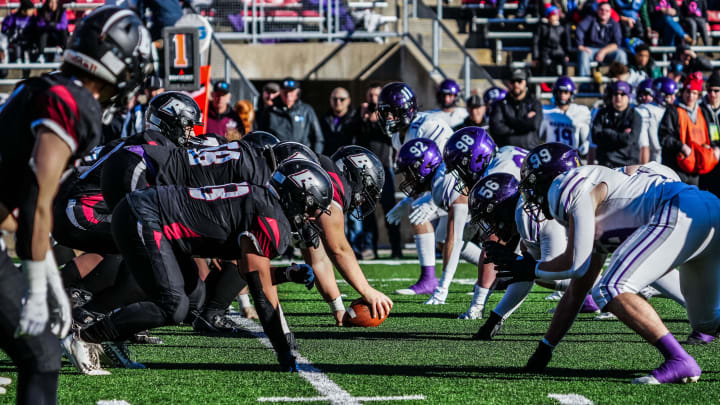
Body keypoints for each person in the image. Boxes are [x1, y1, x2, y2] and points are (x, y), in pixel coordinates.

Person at [0, 5, 152, 398]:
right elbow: (35, 197)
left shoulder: (40, 85)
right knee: (42, 356)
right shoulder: (75, 104)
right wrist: (38, 282)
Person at [64, 160, 332, 374]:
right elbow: (260, 292)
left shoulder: (262, 201)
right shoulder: (269, 217)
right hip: (144, 215)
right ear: (298, 198)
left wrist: (286, 274)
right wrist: (283, 349)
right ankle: (86, 336)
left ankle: (108, 333)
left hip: (150, 215)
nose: (311, 218)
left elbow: (246, 273)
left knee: (193, 294)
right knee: (173, 305)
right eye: (311, 209)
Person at [514, 142, 720, 384]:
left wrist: (530, 268)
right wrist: (545, 348)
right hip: (707, 208)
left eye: (532, 184)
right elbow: (576, 292)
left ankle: (679, 360)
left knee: (611, 287)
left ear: (548, 179)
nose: (531, 194)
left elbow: (575, 263)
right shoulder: (601, 196)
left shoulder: (565, 185)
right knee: (706, 321)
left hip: (679, 209)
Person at [437, 128, 528, 319]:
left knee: (531, 263)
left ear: (476, 159)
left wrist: (476, 304)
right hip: (544, 208)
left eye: (461, 169)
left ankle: (478, 306)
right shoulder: (503, 153)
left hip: (550, 211)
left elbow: (493, 241)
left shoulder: (494, 175)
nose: (460, 177)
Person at [379, 82, 454, 295]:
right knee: (442, 241)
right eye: (385, 113)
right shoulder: (396, 137)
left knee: (449, 235)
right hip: (440, 186)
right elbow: (420, 175)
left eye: (391, 112)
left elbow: (450, 162)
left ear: (406, 110)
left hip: (458, 182)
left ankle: (429, 280)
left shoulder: (428, 125)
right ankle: (497, 276)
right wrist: (409, 200)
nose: (388, 118)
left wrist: (431, 199)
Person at [357, 83, 403, 259]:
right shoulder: (362, 117)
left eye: (376, 96)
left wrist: (377, 119)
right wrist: (363, 119)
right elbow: (357, 137)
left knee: (390, 211)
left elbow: (388, 135)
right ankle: (370, 248)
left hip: (384, 170)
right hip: (365, 172)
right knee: (367, 212)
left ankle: (396, 248)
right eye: (370, 96)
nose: (373, 100)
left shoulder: (388, 117)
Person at [658, 72, 720, 185]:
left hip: (696, 169)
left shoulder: (703, 112)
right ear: (682, 92)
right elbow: (664, 137)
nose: (690, 96)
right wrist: (682, 147)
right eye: (688, 92)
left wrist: (714, 147)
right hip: (676, 168)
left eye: (694, 93)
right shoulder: (673, 111)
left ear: (698, 95)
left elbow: (712, 134)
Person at [256, 77, 324, 153]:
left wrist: (315, 157)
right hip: (277, 158)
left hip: (302, 157)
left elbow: (318, 138)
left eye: (291, 91)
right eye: (285, 91)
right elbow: (261, 137)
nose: (288, 95)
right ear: (280, 92)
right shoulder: (270, 112)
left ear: (297, 92)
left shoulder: (307, 111)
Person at [588, 81, 642, 168]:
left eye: (622, 94)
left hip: (627, 164)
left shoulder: (635, 116)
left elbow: (629, 140)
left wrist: (607, 132)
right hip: (605, 163)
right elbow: (595, 137)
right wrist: (620, 135)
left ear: (628, 97)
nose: (618, 97)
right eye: (615, 94)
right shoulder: (602, 113)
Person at [489, 68, 543, 150]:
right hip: (506, 153)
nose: (516, 84)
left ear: (526, 82)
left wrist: (509, 121)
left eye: (519, 81)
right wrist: (524, 122)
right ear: (508, 83)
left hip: (529, 152)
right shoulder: (500, 104)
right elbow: (496, 127)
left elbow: (534, 124)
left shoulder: (534, 103)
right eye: (512, 81)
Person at [539, 77, 592, 157]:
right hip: (551, 155)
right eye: (560, 92)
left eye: (565, 92)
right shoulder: (546, 111)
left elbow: (587, 138)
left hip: (571, 156)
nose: (562, 95)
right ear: (555, 93)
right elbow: (538, 136)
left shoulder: (581, 111)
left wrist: (584, 146)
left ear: (571, 94)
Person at [576, 2, 627, 79]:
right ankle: (585, 86)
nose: (604, 12)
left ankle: (621, 82)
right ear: (597, 10)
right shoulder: (590, 19)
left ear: (610, 12)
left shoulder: (614, 24)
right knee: (583, 54)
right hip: (591, 50)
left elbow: (616, 44)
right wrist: (580, 46)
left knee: (621, 54)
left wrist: (603, 52)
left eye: (607, 11)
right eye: (601, 10)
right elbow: (580, 29)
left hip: (608, 51)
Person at [532, 6, 572, 77]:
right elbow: (536, 42)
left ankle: (564, 79)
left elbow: (565, 42)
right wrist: (535, 57)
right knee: (545, 64)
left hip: (558, 51)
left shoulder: (562, 27)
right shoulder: (542, 26)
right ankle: (542, 82)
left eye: (556, 15)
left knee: (564, 62)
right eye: (553, 15)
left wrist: (566, 54)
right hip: (545, 51)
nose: (555, 17)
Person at [320, 87, 359, 156]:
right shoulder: (323, 119)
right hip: (329, 161)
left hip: (350, 159)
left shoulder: (357, 118)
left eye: (342, 99)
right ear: (330, 100)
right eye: (335, 99)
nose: (338, 102)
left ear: (348, 100)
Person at [700, 70, 720, 196]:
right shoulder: (700, 109)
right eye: (709, 91)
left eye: (716, 91)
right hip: (706, 157)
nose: (712, 94)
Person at [2, 0, 37, 64]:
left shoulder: (32, 18)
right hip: (16, 41)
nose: (33, 11)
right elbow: (4, 29)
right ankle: (18, 59)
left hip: (28, 42)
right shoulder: (13, 17)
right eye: (30, 10)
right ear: (23, 10)